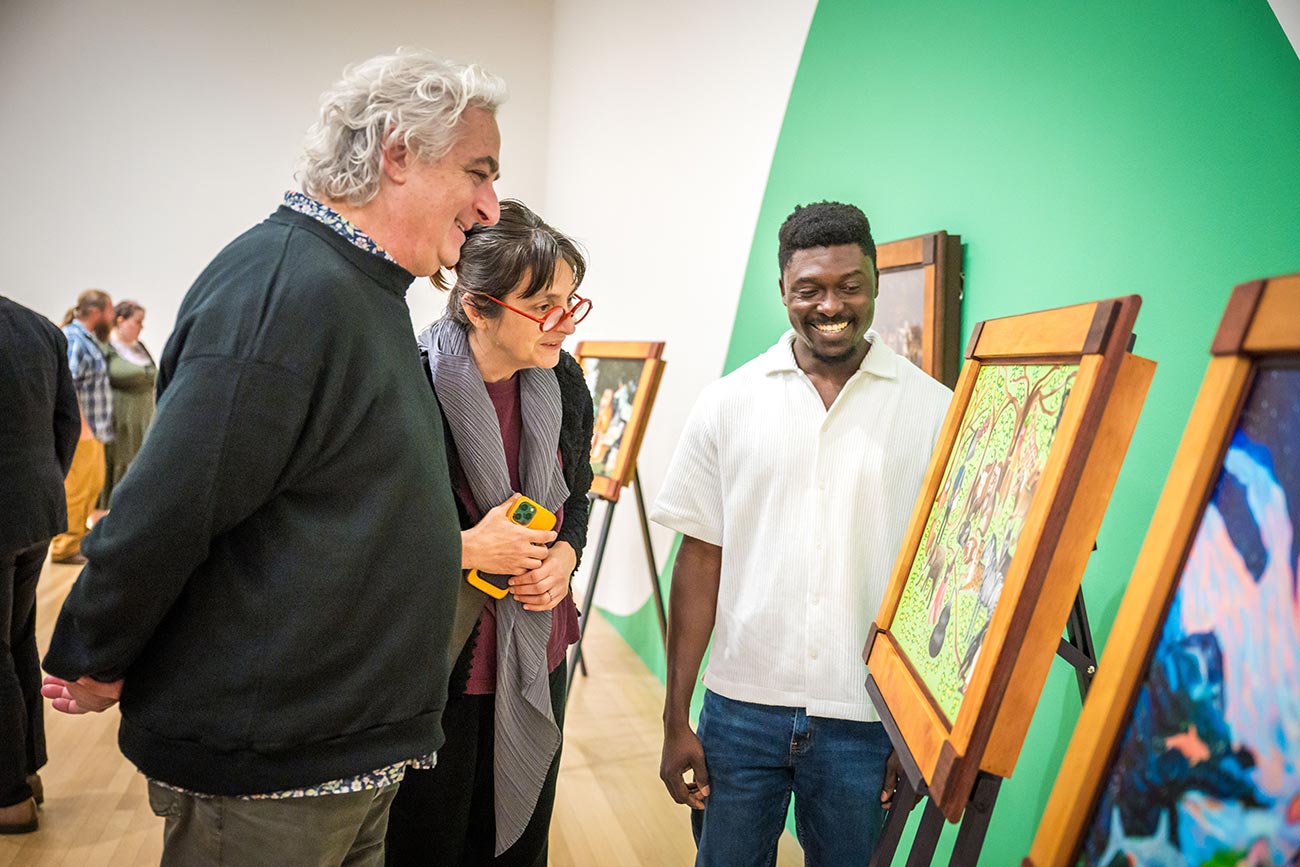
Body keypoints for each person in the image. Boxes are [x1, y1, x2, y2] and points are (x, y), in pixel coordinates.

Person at [40, 49, 505, 866]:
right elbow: (173, 503)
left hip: (339, 751)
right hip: (273, 772)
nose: (491, 206)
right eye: (477, 171)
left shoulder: (358, 286)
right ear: (396, 152)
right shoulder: (288, 287)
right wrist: (93, 650)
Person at [652, 201, 953, 866]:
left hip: (866, 721)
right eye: (809, 288)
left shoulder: (933, 410)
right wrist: (676, 717)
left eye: (850, 285)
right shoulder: (728, 403)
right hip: (739, 713)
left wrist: (916, 734)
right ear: (782, 290)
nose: (832, 304)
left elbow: (940, 584)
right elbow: (700, 560)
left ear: (875, 282)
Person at [386, 199, 595, 866]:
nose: (562, 320)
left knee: (520, 846)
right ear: (477, 307)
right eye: (543, 303)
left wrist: (564, 555)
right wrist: (469, 547)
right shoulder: (409, 382)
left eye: (571, 300)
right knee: (427, 843)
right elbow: (371, 533)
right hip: (440, 666)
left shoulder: (563, 379)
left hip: (537, 648)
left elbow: (579, 496)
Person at [0, 297, 80, 834]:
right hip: (34, 510)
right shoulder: (38, 327)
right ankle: (27, 772)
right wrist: (46, 484)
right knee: (18, 636)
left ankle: (8, 797)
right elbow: (67, 424)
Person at [50, 289, 114, 564]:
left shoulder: (87, 339)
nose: (112, 317)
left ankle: (77, 540)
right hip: (83, 432)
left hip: (93, 432)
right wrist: (82, 426)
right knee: (76, 490)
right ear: (99, 312)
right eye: (110, 311)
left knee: (92, 485)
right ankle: (64, 546)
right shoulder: (75, 338)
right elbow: (68, 382)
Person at [99, 300, 157, 509]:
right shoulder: (107, 347)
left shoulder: (140, 348)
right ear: (121, 320)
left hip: (143, 419)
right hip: (119, 421)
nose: (141, 327)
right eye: (138, 322)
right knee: (116, 469)